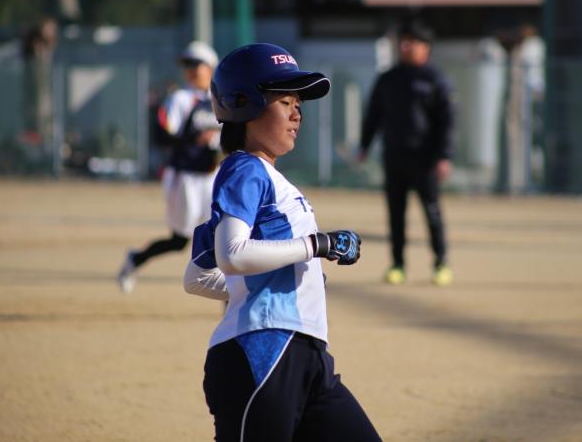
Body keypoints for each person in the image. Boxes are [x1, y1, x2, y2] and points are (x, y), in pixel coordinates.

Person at [184, 43, 381, 442]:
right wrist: (316, 245)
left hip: (307, 356)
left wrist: (279, 283)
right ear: (245, 105)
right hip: (264, 353)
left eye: (298, 105)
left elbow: (196, 277)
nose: (297, 114)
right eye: (285, 102)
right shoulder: (245, 168)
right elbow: (232, 255)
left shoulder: (266, 179)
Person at [117, 41, 221, 293]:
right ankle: (135, 259)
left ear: (211, 67)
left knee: (222, 238)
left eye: (196, 64)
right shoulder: (180, 99)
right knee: (179, 241)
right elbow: (162, 137)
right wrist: (194, 139)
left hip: (213, 177)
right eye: (187, 65)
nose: (190, 70)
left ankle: (230, 302)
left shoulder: (221, 99)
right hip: (185, 177)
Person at [358, 22, 456, 287]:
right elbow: (373, 114)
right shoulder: (388, 78)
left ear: (426, 47)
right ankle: (397, 264)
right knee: (395, 213)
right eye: (403, 41)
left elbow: (447, 121)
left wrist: (444, 156)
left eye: (412, 41)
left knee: (432, 211)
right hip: (394, 155)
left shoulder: (436, 79)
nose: (405, 46)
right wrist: (364, 146)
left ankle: (441, 263)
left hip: (425, 158)